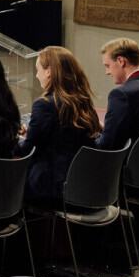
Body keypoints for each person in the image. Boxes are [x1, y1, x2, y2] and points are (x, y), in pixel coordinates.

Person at [16, 46, 102, 201]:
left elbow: (27, 151)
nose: (36, 75)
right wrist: (30, 134)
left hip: (51, 189)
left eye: (38, 69)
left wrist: (9, 138)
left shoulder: (44, 104)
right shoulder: (83, 102)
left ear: (48, 72)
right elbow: (64, 138)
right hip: (84, 186)